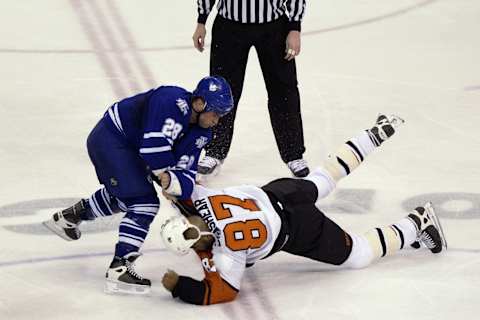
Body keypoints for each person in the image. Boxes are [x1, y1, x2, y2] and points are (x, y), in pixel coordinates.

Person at [159, 114, 447, 305]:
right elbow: (178, 185)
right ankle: (370, 135)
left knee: (358, 254)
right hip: (278, 191)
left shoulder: (227, 253)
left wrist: (178, 287)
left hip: (297, 228)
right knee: (323, 178)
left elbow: (221, 292)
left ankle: (417, 223)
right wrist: (165, 181)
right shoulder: (199, 198)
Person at [42, 76, 234, 295]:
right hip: (112, 139)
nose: (217, 120)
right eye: (215, 113)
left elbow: (186, 173)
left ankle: (69, 217)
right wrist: (166, 176)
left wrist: (175, 183)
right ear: (200, 104)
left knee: (127, 196)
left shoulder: (202, 133)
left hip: (130, 149)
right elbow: (153, 148)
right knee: (144, 203)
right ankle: (120, 267)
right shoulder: (171, 101)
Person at [192, 0, 309, 178]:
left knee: (284, 91)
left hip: (274, 27)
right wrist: (202, 20)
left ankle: (293, 154)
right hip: (229, 26)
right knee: (222, 91)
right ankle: (215, 151)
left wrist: (294, 27)